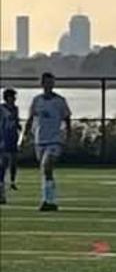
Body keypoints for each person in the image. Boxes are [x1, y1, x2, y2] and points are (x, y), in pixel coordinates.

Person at [23, 73, 72, 211]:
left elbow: (67, 119)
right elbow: (31, 119)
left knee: (47, 165)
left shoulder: (60, 101)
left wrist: (67, 137)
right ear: (42, 84)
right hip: (40, 140)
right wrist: (25, 136)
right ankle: (49, 200)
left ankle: (48, 200)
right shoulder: (37, 100)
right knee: (46, 172)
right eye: (47, 82)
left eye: (51, 82)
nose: (49, 85)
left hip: (54, 140)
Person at [1, 88, 22, 191]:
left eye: (14, 97)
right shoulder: (2, 108)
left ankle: (12, 181)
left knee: (14, 161)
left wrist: (18, 126)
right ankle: (1, 181)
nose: (13, 99)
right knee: (4, 161)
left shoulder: (15, 109)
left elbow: (16, 120)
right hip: (4, 136)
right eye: (11, 97)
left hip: (13, 136)